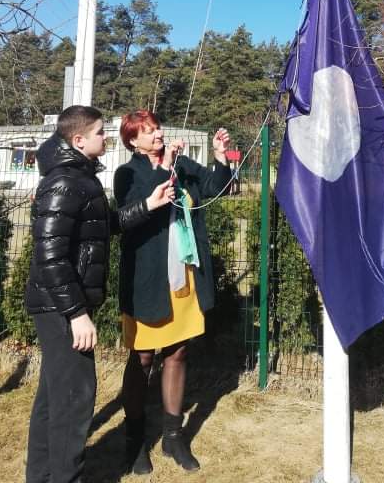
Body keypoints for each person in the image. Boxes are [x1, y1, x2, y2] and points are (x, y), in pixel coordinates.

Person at [25, 105, 174, 483]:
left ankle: (41, 477)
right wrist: (76, 314)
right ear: (78, 140)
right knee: (74, 402)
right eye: (99, 133)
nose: (105, 137)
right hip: (61, 308)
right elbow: (50, 256)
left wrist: (148, 204)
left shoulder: (82, 178)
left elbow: (106, 225)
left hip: (61, 304)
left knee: (54, 399)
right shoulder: (64, 182)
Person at [114, 111, 231, 474]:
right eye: (148, 132)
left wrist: (219, 157)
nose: (157, 134)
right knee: (143, 358)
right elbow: (128, 217)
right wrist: (163, 171)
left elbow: (215, 188)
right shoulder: (128, 173)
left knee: (178, 353)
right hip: (148, 281)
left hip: (184, 277)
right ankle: (135, 439)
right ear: (133, 141)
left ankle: (172, 436)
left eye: (157, 128)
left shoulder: (180, 164)